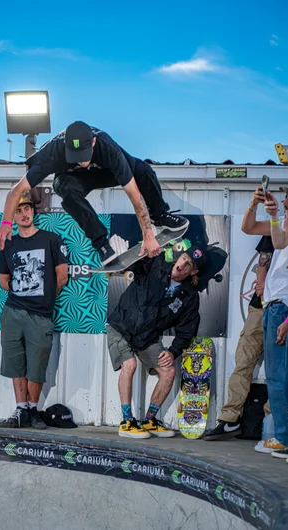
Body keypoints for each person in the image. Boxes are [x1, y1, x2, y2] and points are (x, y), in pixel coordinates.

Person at [0, 121, 189, 265]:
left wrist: (148, 234)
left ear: (93, 142)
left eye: (84, 156)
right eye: (75, 157)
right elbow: (16, 191)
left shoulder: (108, 147)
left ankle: (160, 215)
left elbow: (135, 196)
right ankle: (101, 243)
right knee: (64, 188)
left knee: (144, 171)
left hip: (109, 172)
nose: (81, 161)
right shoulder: (51, 153)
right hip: (78, 179)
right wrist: (6, 223)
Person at [107, 246, 205, 438]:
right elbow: (135, 264)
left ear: (193, 272)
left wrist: (173, 351)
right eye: (183, 258)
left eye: (189, 265)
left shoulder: (190, 297)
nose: (182, 265)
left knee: (168, 371)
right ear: (178, 257)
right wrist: (146, 252)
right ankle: (126, 421)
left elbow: (186, 330)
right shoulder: (157, 264)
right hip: (121, 326)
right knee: (130, 364)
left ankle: (150, 420)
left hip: (146, 336)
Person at [0, 192, 68, 429]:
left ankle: (33, 410)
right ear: (13, 217)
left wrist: (44, 297)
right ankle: (21, 410)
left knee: (37, 365)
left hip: (41, 315)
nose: (24, 214)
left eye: (27, 208)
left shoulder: (51, 239)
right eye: (18, 211)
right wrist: (22, 291)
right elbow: (3, 279)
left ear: (33, 211)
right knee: (15, 363)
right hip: (13, 312)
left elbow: (62, 276)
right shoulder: (8, 243)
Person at [204, 234, 273, 441]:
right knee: (242, 363)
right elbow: (264, 258)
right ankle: (230, 418)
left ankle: (273, 424)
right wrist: (261, 285)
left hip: (284, 310)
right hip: (260, 307)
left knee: (280, 371)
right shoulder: (275, 225)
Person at [236, 186, 288, 456]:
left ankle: (284, 438)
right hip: (272, 307)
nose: (286, 204)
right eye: (286, 201)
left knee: (279, 377)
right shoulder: (281, 230)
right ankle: (281, 436)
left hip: (283, 310)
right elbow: (249, 228)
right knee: (277, 377)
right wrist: (254, 204)